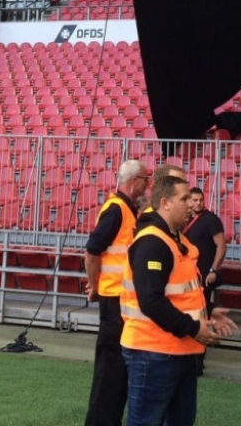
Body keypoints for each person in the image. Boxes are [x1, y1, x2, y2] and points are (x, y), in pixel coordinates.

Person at [120, 175, 237, 426]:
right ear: (165, 203)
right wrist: (194, 328)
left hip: (177, 349)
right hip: (153, 351)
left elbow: (182, 293)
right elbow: (151, 301)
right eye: (184, 199)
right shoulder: (153, 241)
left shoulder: (176, 239)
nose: (191, 204)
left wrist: (209, 310)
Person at [83, 158, 149, 426]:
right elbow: (92, 250)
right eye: (146, 179)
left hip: (119, 298)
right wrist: (95, 285)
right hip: (113, 300)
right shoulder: (117, 210)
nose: (148, 183)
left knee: (118, 369)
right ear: (134, 182)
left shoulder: (126, 208)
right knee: (110, 370)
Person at [184, 186, 227, 376]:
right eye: (194, 200)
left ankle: (198, 360)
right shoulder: (184, 219)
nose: (198, 203)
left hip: (203, 277)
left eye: (200, 200)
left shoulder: (211, 220)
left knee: (201, 315)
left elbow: (221, 246)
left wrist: (213, 270)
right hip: (187, 277)